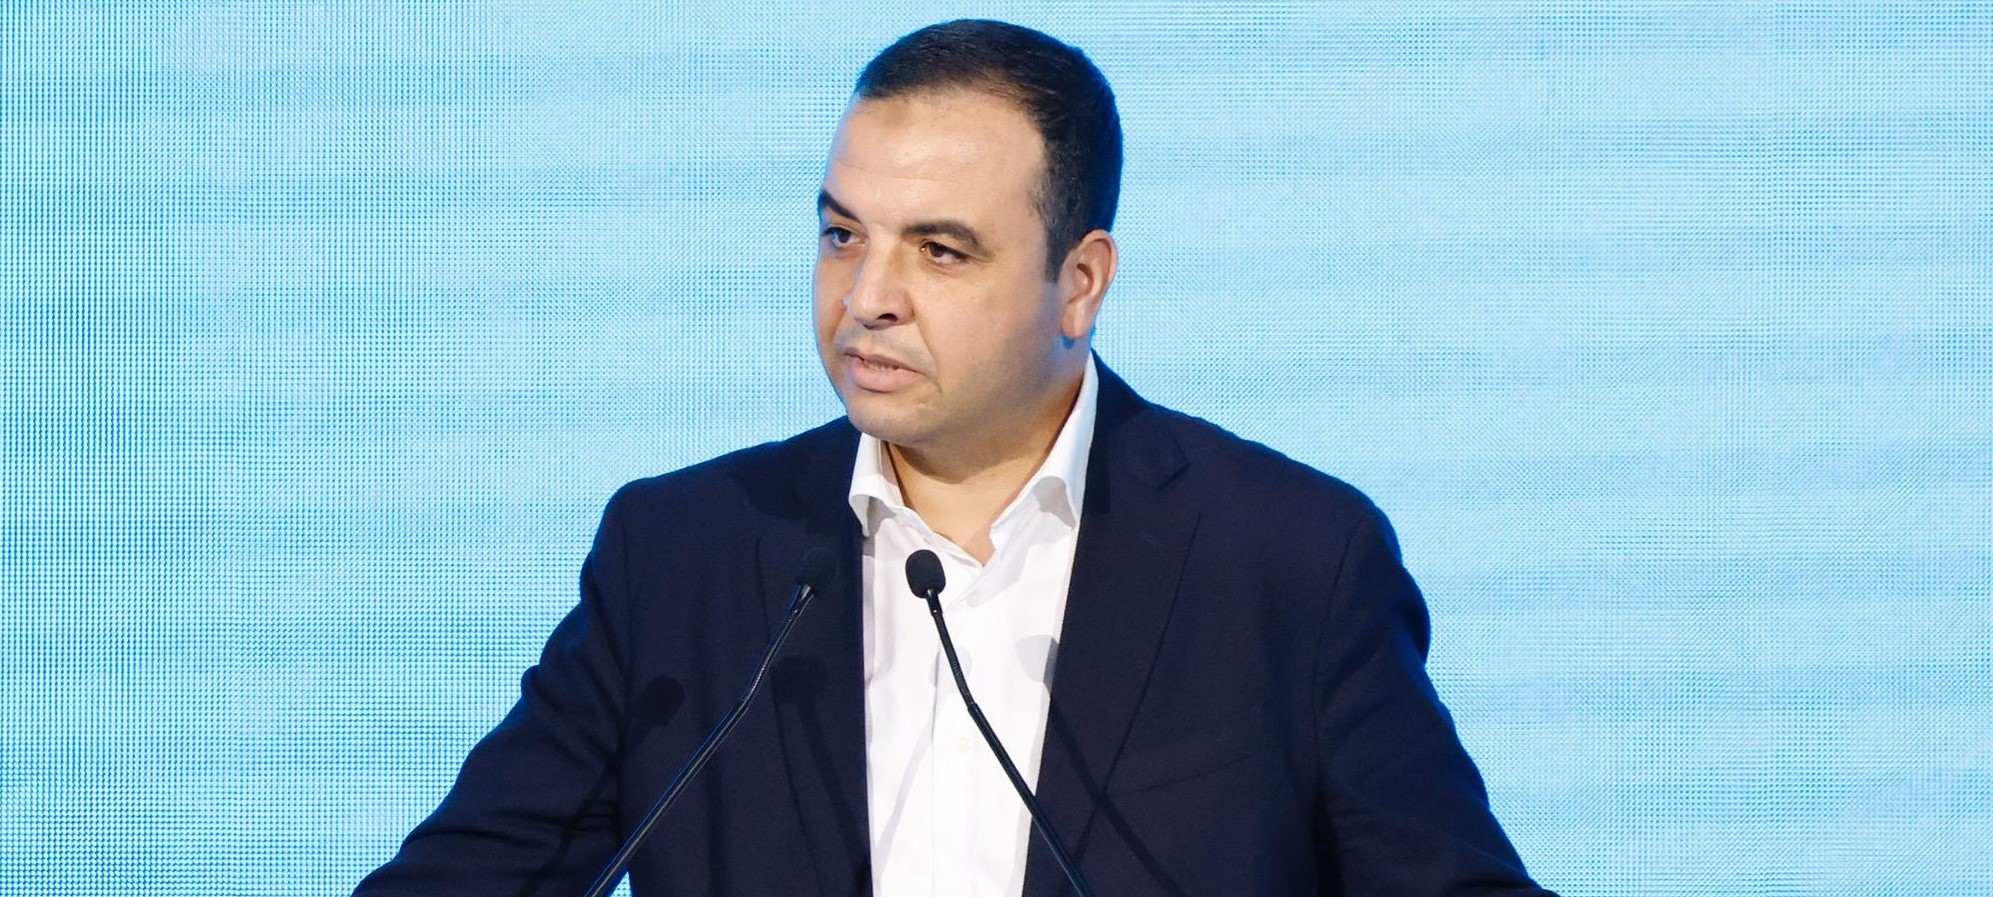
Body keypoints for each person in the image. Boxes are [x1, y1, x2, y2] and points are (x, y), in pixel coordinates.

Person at [355, 19, 1555, 897]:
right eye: (841, 235)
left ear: (1078, 283)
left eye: (938, 251)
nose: (865, 297)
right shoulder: (683, 555)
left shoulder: (1287, 560)